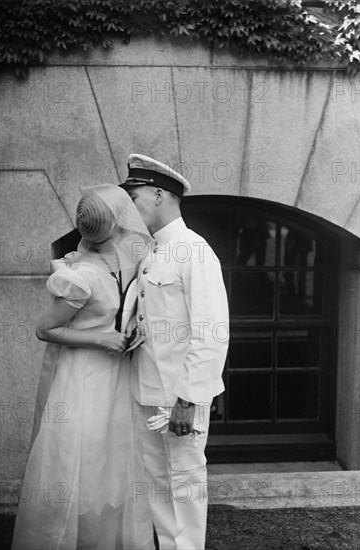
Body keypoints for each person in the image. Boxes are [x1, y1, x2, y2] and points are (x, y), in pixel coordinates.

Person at [11, 184, 155, 550]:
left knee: (112, 462)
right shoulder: (82, 275)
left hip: (115, 378)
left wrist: (133, 328)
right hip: (83, 380)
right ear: (119, 224)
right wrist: (101, 339)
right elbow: (45, 329)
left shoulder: (124, 264)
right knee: (83, 462)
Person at [120, 154, 230, 550]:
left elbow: (212, 332)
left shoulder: (195, 251)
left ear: (158, 194)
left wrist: (189, 399)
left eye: (134, 198)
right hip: (146, 390)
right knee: (157, 487)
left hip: (179, 396)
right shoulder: (150, 252)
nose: (129, 208)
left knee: (184, 484)